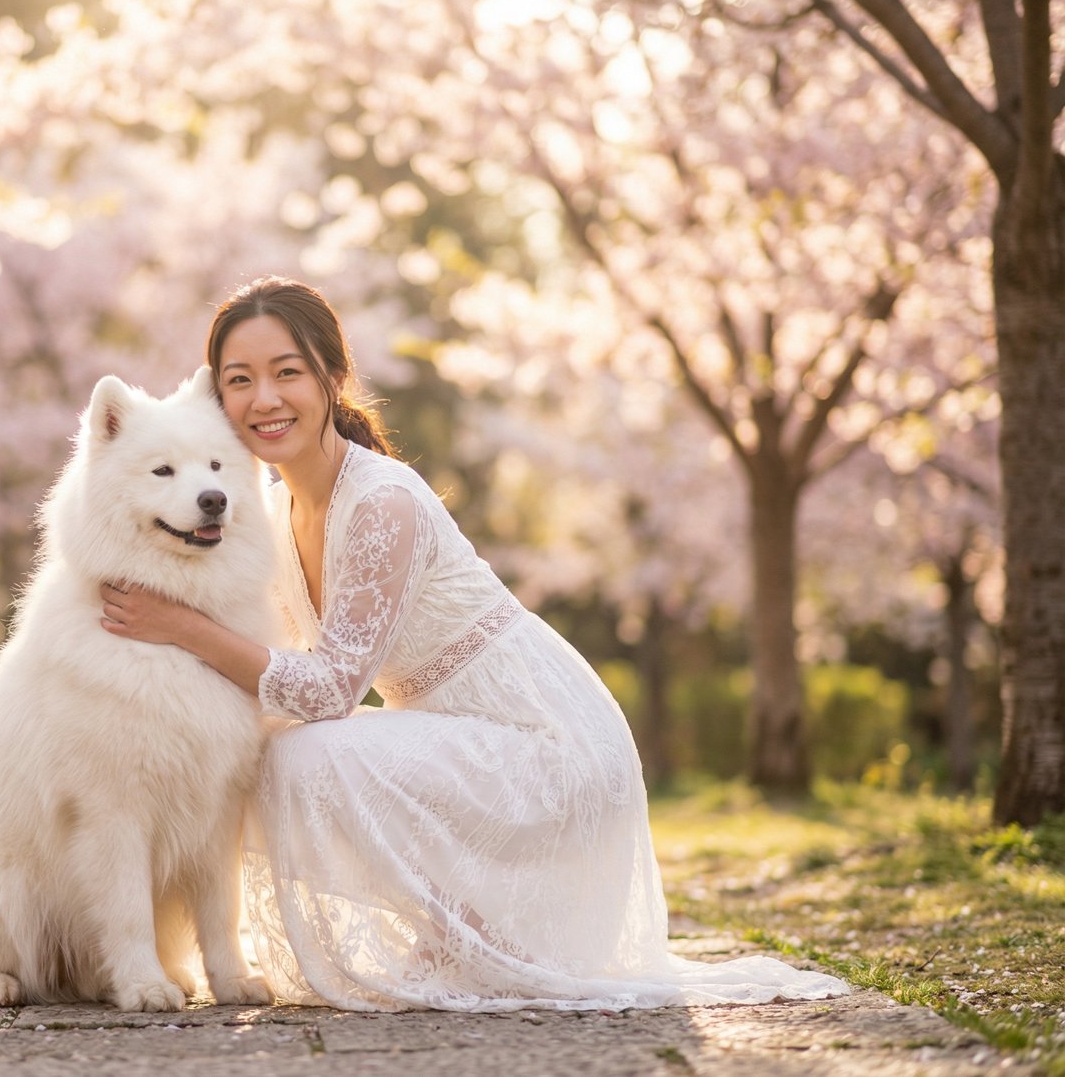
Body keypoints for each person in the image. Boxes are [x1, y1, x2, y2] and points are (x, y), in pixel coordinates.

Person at [98, 277, 848, 1012]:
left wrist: (180, 626)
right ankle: (467, 935)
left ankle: (477, 939)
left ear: (331, 377)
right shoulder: (268, 506)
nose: (263, 399)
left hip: (550, 745)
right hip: (458, 741)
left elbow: (326, 693)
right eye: (240, 380)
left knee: (299, 756)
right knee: (254, 753)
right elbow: (276, 671)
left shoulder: (381, 501)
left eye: (286, 372)